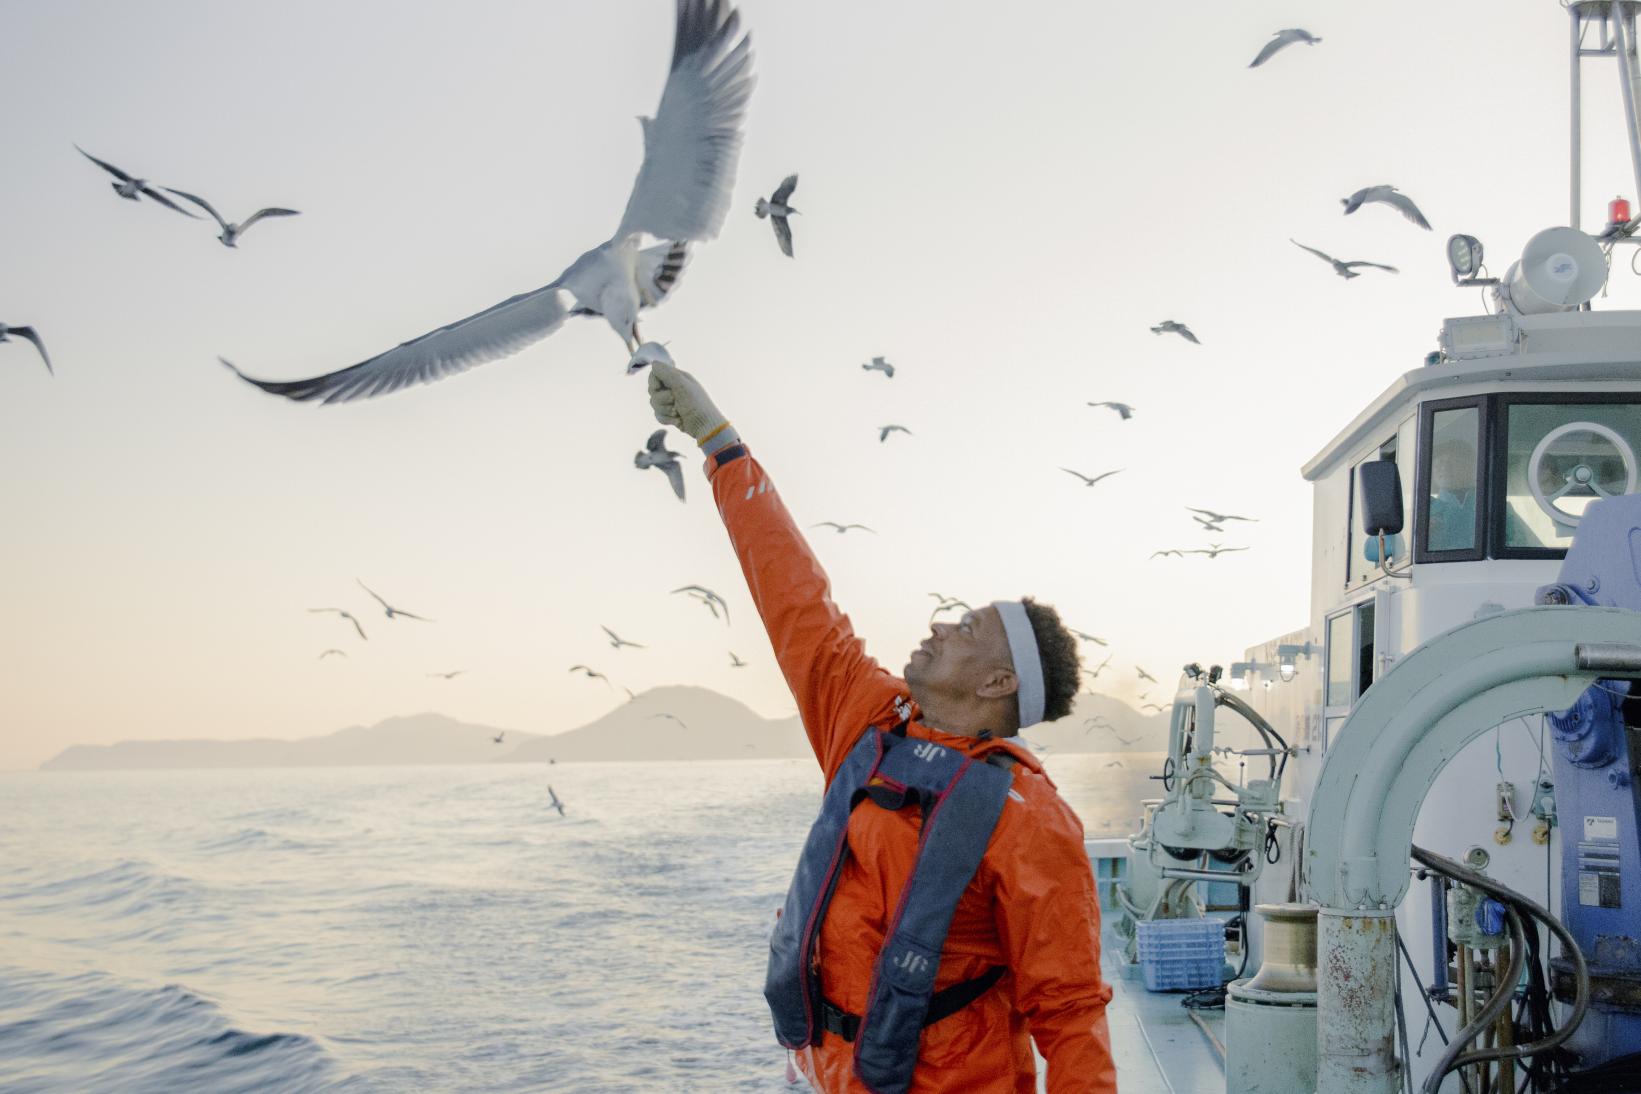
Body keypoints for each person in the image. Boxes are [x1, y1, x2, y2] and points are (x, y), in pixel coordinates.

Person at [647, 361, 1116, 1094]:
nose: (937, 623)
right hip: (829, 1074)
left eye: (965, 628)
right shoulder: (869, 721)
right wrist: (720, 442)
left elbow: (1070, 1012)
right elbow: (794, 597)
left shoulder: (1033, 824)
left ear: (998, 683)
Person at [1427, 437, 1479, 552]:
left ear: (1471, 467)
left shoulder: (1495, 507)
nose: (1444, 467)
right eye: (1439, 463)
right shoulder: (1424, 513)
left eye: (1453, 461)